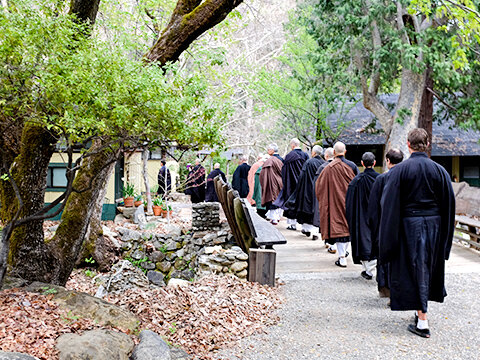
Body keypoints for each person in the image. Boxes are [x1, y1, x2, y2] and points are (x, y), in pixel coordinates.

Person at [379, 128, 455, 338]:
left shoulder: (399, 171)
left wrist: (387, 237)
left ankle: (423, 322)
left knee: (415, 267)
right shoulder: (439, 170)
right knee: (425, 267)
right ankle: (419, 311)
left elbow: (389, 204)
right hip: (434, 225)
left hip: (408, 226)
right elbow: (449, 204)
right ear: (427, 144)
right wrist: (445, 236)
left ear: (408, 144)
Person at [367, 148, 404, 298]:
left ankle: (385, 288)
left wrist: (373, 226)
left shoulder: (382, 179)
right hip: (402, 225)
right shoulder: (406, 178)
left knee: (384, 257)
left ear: (388, 161)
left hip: (384, 224)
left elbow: (373, 207)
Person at [316, 141, 358, 267]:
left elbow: (319, 187)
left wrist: (325, 200)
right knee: (347, 228)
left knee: (340, 229)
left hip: (334, 202)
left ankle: (342, 257)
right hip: (350, 201)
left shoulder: (328, 168)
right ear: (345, 152)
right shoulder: (352, 166)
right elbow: (357, 183)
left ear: (334, 152)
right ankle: (344, 253)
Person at [345, 152, 380, 280]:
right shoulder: (380, 179)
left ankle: (367, 269)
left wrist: (350, 217)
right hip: (377, 215)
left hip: (360, 215)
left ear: (362, 163)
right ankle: (371, 268)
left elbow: (348, 202)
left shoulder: (356, 181)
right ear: (374, 163)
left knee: (363, 240)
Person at [284, 145, 325, 239]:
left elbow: (301, 177)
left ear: (313, 153)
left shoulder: (309, 162)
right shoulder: (323, 163)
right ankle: (314, 231)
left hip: (308, 189)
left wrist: (299, 190)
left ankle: (307, 229)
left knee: (307, 210)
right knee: (316, 211)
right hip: (319, 191)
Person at [273, 138, 309, 230]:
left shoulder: (289, 156)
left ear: (292, 145)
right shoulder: (305, 155)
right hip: (303, 183)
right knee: (301, 202)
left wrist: (286, 182)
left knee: (290, 202)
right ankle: (304, 225)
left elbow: (284, 171)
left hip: (291, 183)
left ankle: (292, 224)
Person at [313, 147, 334, 243]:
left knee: (325, 217)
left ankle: (328, 241)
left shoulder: (323, 167)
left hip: (325, 197)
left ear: (326, 156)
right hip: (338, 198)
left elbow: (317, 185)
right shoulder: (345, 166)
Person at [259, 143, 284, 225]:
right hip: (280, 182)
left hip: (271, 183)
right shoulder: (281, 159)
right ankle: (277, 217)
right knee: (278, 199)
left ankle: (274, 219)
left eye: (269, 149)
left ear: (273, 150)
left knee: (272, 199)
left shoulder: (270, 160)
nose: (267, 150)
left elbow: (263, 173)